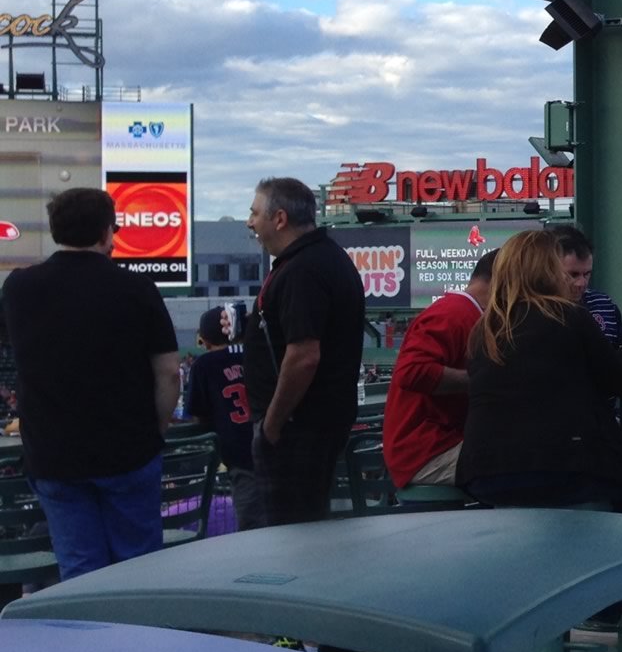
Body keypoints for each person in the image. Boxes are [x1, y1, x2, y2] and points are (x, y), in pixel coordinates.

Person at [2, 188, 179, 579]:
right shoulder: (137, 289)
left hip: (53, 456)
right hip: (129, 452)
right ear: (106, 233)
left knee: (80, 573)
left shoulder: (19, 289)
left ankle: (88, 639)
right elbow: (169, 373)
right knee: (139, 570)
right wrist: (156, 430)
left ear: (54, 231)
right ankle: (139, 639)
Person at [458, 232, 622, 506]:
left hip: (482, 471)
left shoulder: (485, 327)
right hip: (557, 467)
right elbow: (617, 382)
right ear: (549, 269)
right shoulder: (569, 315)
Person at [242, 177, 366, 527]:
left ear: (279, 218)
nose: (250, 222)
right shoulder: (321, 257)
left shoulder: (304, 269)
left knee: (288, 541)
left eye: (254, 213)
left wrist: (272, 424)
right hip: (312, 425)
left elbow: (304, 355)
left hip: (297, 430)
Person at [383, 250, 493, 490]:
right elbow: (412, 371)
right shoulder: (453, 313)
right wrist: (482, 380)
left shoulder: (470, 313)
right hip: (425, 451)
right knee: (522, 463)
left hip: (444, 443)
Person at [185, 305, 256, 526]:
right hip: (277, 448)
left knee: (252, 531)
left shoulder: (203, 364)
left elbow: (198, 415)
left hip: (241, 458)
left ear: (205, 340)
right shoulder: (257, 352)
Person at [556, 226, 622, 345]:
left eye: (587, 274)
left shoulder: (605, 305)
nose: (582, 283)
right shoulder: (538, 313)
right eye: (573, 274)